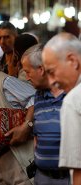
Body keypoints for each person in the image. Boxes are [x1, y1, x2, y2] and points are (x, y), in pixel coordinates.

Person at [21, 44, 69, 184]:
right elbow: (38, 135)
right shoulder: (38, 96)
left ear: (41, 69)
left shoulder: (73, 95)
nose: (27, 77)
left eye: (28, 72)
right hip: (42, 177)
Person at [42, 32, 81, 185]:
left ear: (72, 61)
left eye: (52, 72)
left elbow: (78, 170)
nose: (51, 81)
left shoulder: (73, 101)